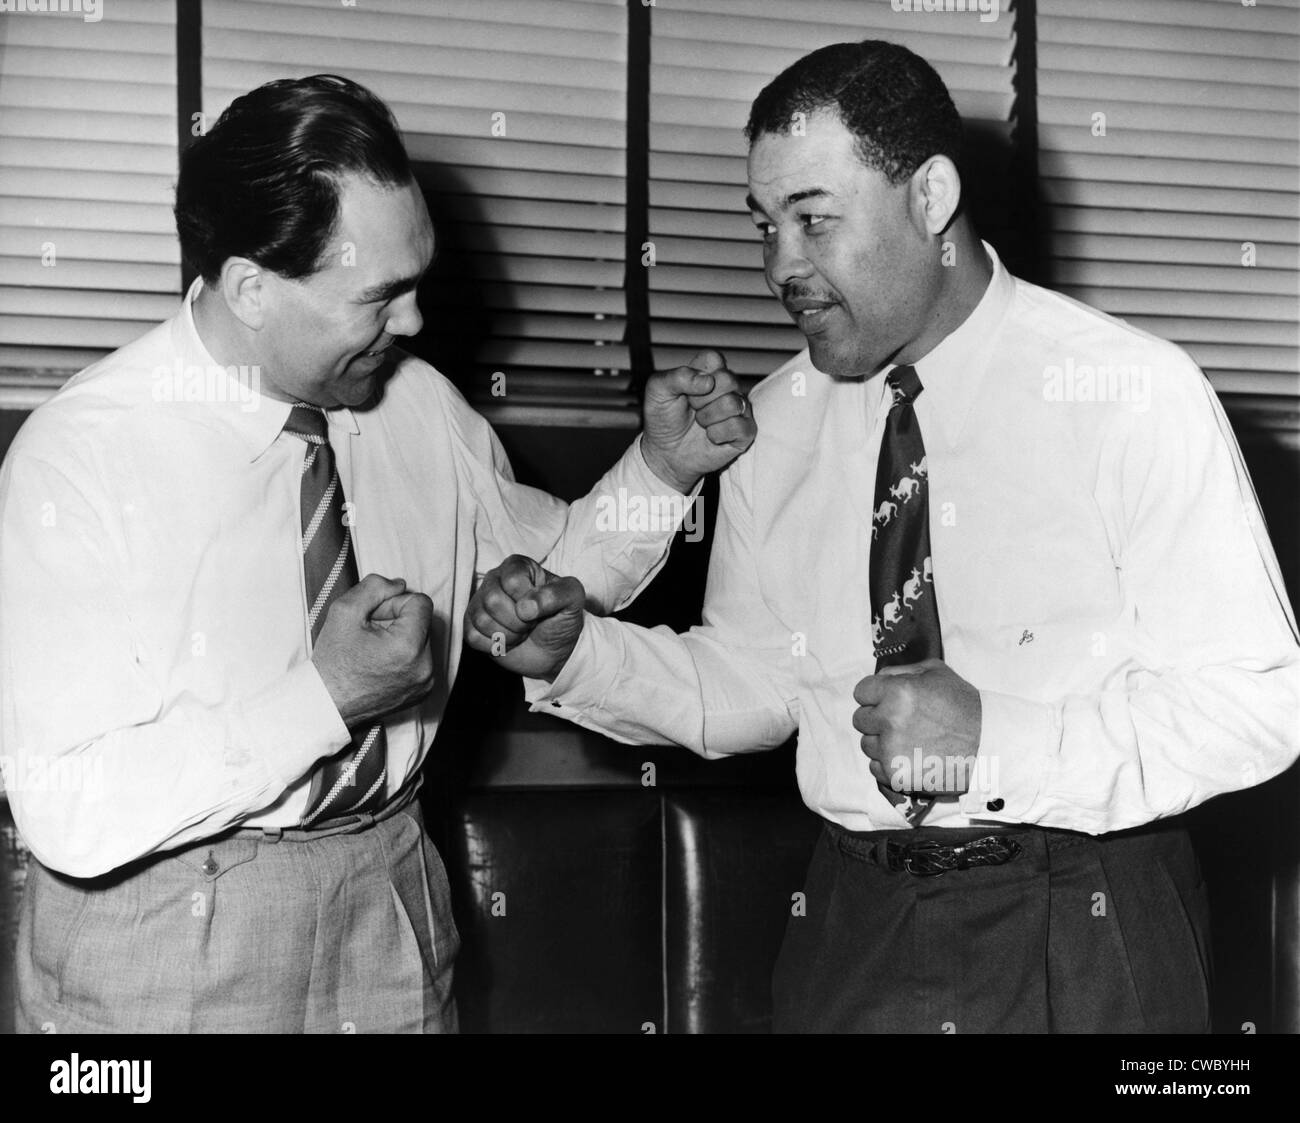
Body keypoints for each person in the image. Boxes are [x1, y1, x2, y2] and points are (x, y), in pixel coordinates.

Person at [465, 41, 1300, 1033]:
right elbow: (759, 684)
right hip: (852, 920)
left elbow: (1255, 705)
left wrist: (994, 744)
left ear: (931, 197)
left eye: (815, 220)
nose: (782, 266)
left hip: (1086, 915)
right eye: (765, 226)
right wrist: (579, 655)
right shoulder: (775, 422)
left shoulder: (1130, 394)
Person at [0, 74, 754, 1033]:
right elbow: (71, 809)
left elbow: (551, 580)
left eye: (417, 283)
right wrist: (326, 696)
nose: (414, 324)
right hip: (165, 924)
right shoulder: (81, 460)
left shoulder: (416, 404)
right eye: (380, 296)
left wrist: (661, 470)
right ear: (252, 289)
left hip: (388, 892)